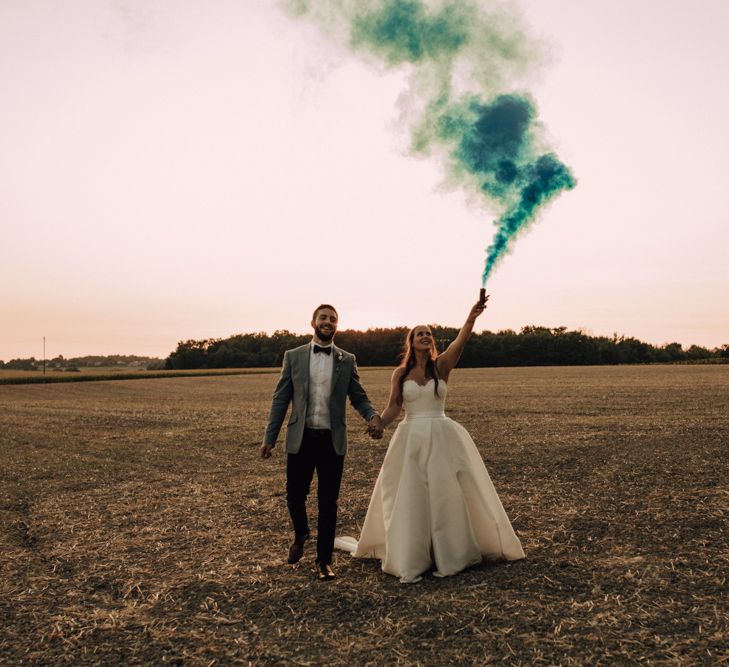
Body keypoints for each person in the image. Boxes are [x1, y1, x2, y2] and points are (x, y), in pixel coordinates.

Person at [336, 296, 525, 583]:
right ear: (411, 342)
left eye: (429, 334)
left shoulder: (443, 366)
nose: (425, 336)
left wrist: (471, 317)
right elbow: (394, 408)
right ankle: (414, 554)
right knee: (411, 497)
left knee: (445, 495)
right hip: (410, 437)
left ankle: (449, 553)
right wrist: (379, 424)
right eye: (419, 333)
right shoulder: (400, 373)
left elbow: (461, 342)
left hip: (442, 435)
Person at [260, 304, 383, 581]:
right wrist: (270, 437)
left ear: (337, 325)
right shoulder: (294, 356)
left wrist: (372, 415)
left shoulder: (346, 359)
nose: (328, 322)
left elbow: (358, 396)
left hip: (332, 440)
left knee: (329, 502)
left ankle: (324, 561)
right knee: (294, 496)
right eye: (323, 317)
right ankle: (301, 532)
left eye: (333, 319)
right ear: (313, 322)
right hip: (301, 439)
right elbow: (281, 398)